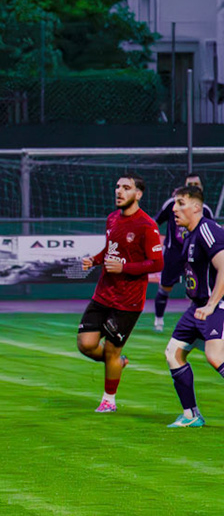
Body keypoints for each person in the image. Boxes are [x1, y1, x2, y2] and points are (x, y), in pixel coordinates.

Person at [77, 174, 164, 413]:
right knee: (85, 344)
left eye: (126, 187)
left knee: (112, 350)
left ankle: (109, 400)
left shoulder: (147, 225)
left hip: (128, 301)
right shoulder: (112, 218)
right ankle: (117, 362)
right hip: (103, 293)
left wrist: (124, 268)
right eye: (117, 187)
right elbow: (110, 250)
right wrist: (94, 260)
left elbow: (157, 263)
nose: (119, 191)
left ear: (138, 194)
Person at [162, 184, 224, 427]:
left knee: (215, 356)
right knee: (173, 353)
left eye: (181, 203)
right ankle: (191, 415)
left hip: (216, 305)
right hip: (197, 308)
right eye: (174, 204)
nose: (174, 209)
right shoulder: (189, 235)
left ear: (197, 207)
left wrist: (211, 304)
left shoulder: (208, 229)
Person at [154, 173, 210, 331]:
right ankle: (158, 321)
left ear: (201, 187)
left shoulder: (205, 210)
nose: (194, 187)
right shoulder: (171, 205)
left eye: (196, 184)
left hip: (195, 257)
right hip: (173, 255)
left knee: (197, 291)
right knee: (165, 287)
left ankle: (197, 323)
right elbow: (155, 222)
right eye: (190, 185)